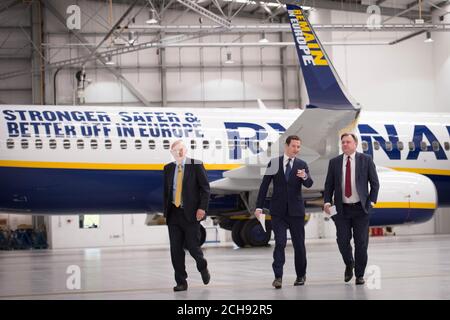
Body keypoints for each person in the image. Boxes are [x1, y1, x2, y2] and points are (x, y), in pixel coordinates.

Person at [255, 135, 313, 289]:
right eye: (294, 146)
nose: (296, 149)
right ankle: (278, 277)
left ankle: (301, 275)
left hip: (296, 212)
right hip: (278, 211)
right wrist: (259, 207)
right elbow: (264, 186)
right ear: (286, 146)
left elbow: (309, 183)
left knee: (299, 245)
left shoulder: (302, 164)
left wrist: (305, 176)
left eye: (298, 147)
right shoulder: (274, 163)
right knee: (280, 243)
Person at [323, 133, 379, 285]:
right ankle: (349, 263)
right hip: (341, 210)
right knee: (342, 241)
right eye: (343, 142)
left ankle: (359, 275)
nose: (345, 144)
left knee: (361, 243)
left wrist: (371, 202)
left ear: (355, 144)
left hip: (361, 210)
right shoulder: (334, 162)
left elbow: (375, 183)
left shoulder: (365, 160)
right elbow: (329, 185)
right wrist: (327, 202)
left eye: (348, 142)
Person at [163, 140, 211, 291]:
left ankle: (202, 266)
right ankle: (181, 282)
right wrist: (166, 210)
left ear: (186, 150)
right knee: (175, 250)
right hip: (174, 214)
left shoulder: (196, 165)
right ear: (172, 153)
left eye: (181, 149)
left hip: (190, 213)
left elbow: (205, 189)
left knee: (193, 247)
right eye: (176, 150)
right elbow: (167, 191)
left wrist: (202, 208)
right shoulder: (168, 168)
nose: (179, 152)